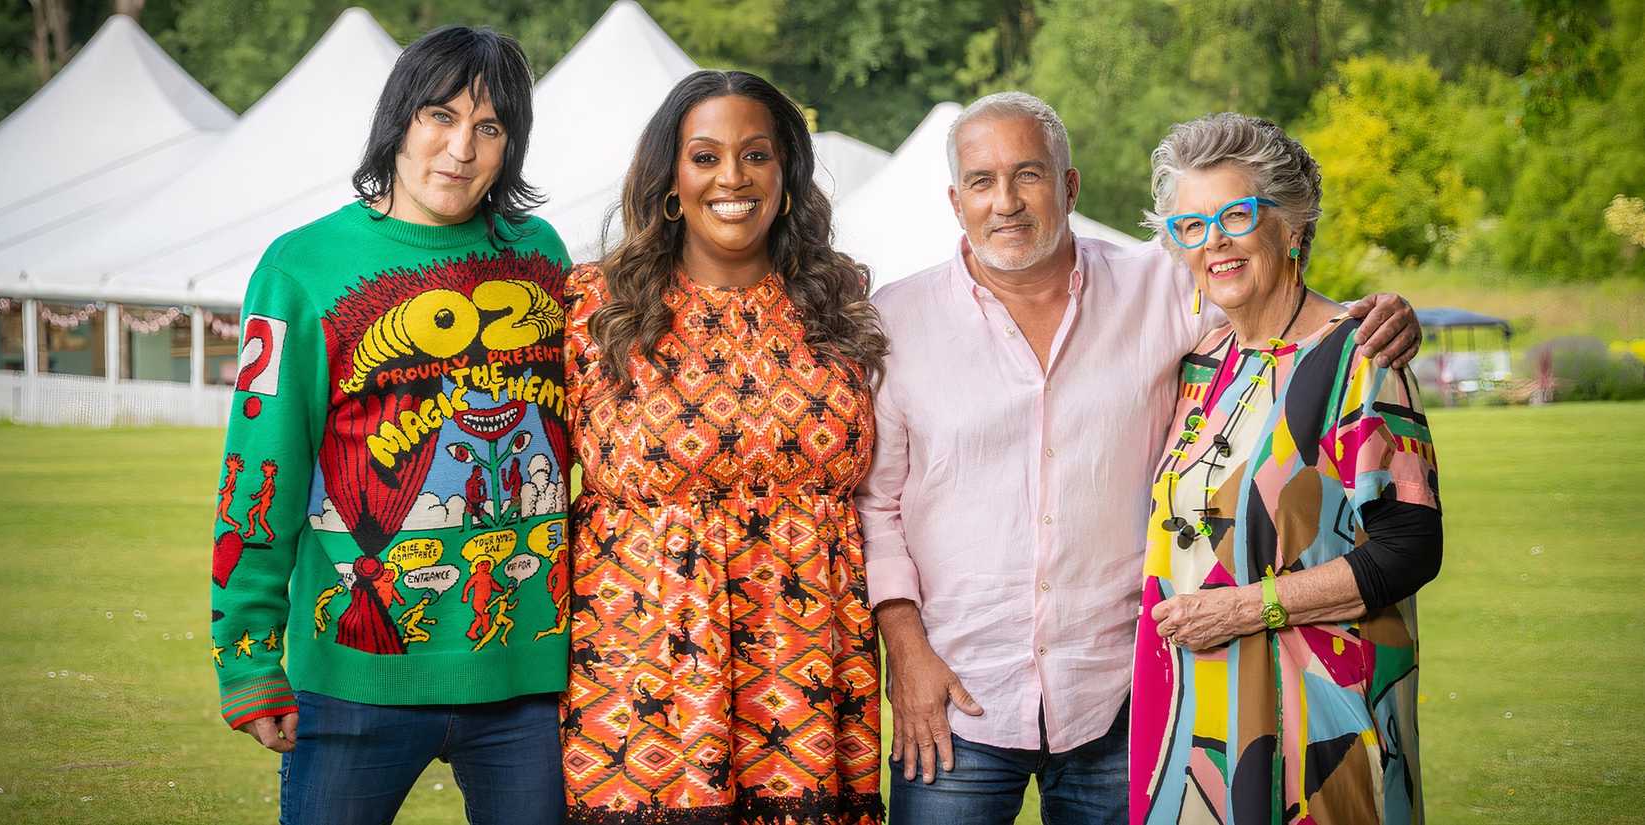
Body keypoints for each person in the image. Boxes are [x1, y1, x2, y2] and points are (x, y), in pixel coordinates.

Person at [857, 92, 1422, 824]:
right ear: (954, 199)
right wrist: (906, 653)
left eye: (1028, 174)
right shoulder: (895, 321)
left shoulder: (1164, 288)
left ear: (1069, 186)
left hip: (1128, 695)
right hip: (956, 697)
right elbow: (877, 506)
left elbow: (1276, 302)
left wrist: (1378, 316)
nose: (1005, 201)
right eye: (981, 181)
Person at [207, 26, 573, 825]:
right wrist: (248, 658)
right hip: (353, 680)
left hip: (525, 681)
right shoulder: (302, 266)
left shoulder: (542, 256)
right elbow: (261, 466)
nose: (460, 149)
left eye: (489, 127)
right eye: (440, 116)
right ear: (399, 120)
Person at [560, 69, 887, 824]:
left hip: (810, 663)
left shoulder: (842, 300)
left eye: (756, 155)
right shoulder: (594, 307)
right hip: (643, 669)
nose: (732, 177)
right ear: (671, 181)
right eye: (705, 157)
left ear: (786, 177)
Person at [1130, 112, 1442, 824]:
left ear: (1293, 225)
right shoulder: (1202, 364)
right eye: (1191, 226)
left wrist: (1244, 608)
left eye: (1236, 216)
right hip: (1192, 724)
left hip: (1321, 723)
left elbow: (1409, 547)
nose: (1214, 242)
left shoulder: (1361, 357)